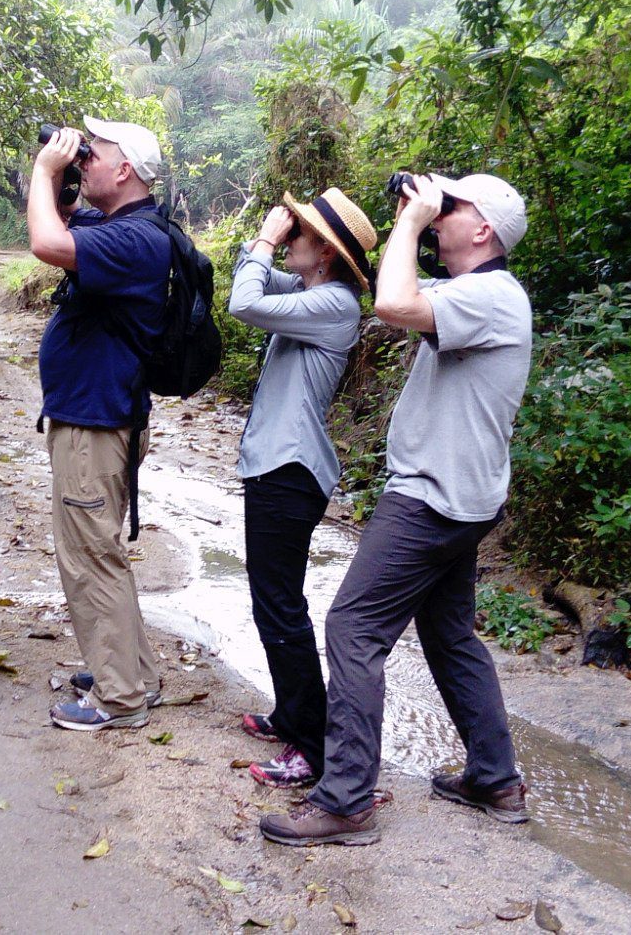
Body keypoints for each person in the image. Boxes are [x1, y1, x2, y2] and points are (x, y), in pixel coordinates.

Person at [260, 172, 534, 846]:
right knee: (449, 634)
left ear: (485, 230)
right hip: (462, 496)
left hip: (431, 499)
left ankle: (347, 797)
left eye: (455, 207)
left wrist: (412, 218)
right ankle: (495, 778)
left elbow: (390, 303)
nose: (443, 215)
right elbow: (406, 291)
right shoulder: (472, 293)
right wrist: (418, 216)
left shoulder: (493, 295)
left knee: (353, 628)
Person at [226, 189, 375, 789]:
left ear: (327, 254)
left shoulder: (335, 303)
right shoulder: (312, 293)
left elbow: (242, 303)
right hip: (276, 467)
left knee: (281, 608)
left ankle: (312, 746)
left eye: (300, 235)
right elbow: (249, 280)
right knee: (273, 604)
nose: (289, 240)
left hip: (289, 471)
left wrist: (265, 238)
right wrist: (265, 241)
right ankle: (293, 714)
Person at [28, 117, 171, 731]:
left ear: (126, 171)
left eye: (95, 153)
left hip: (96, 422)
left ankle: (119, 700)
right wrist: (58, 178)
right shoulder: (117, 226)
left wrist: (43, 170)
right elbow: (55, 222)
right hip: (95, 414)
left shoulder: (138, 240)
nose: (84, 159)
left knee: (90, 557)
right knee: (101, 550)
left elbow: (46, 245)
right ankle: (135, 674)